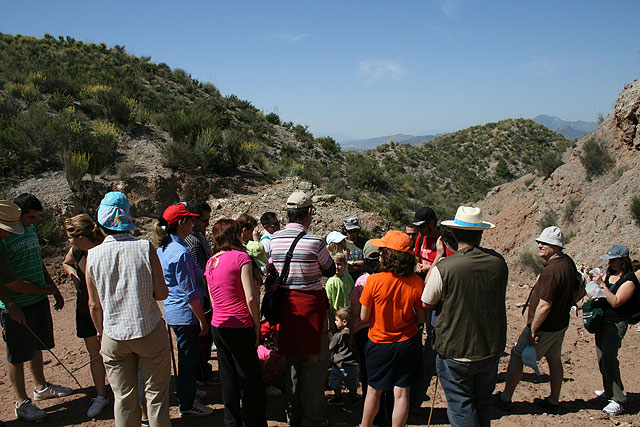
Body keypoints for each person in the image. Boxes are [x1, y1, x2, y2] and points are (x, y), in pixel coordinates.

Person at [85, 191, 171, 427]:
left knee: (123, 398)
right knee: (156, 397)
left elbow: (94, 304)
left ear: (102, 223)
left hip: (113, 334)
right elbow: (162, 293)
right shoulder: (145, 248)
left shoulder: (92, 255)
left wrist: (101, 332)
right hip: (148, 329)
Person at [422, 206, 508, 427]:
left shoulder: (445, 267)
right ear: (480, 233)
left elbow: (427, 301)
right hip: (490, 347)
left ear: (454, 233)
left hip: (455, 349)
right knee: (482, 404)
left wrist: (439, 257)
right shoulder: (498, 262)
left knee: (461, 407)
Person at [0, 194, 70, 421]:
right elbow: (5, 282)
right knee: (17, 354)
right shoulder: (4, 236)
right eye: (31, 217)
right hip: (16, 304)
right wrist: (10, 304)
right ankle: (21, 402)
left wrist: (52, 288)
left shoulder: (28, 230)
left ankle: (41, 387)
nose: (34, 222)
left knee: (37, 346)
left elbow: (37, 260)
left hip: (37, 299)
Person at [270, 191, 336, 427]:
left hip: (287, 309)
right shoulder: (315, 242)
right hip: (311, 309)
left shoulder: (274, 240)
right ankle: (313, 418)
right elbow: (330, 269)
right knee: (314, 364)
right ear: (308, 212)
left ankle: (293, 414)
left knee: (292, 362)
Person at [495, 226, 577, 411]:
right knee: (554, 359)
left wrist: (533, 329)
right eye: (540, 242)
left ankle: (506, 398)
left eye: (545, 243)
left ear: (556, 246)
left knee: (517, 355)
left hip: (544, 326)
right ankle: (554, 400)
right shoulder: (567, 263)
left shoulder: (552, 271)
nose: (540, 245)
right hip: (560, 323)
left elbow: (545, 305)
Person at [359, 230, 426, 427]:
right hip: (407, 342)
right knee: (402, 392)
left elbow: (363, 317)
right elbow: (421, 318)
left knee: (374, 390)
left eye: (382, 250)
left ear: (389, 255)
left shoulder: (374, 281)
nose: (380, 254)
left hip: (379, 342)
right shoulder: (417, 282)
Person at [205, 218, 267, 427]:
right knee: (250, 379)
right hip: (240, 323)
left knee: (228, 376)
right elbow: (250, 297)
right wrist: (256, 325)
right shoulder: (241, 258)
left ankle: (231, 421)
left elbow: (212, 298)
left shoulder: (211, 262)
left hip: (218, 324)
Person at [156, 204, 213, 417]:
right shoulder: (180, 252)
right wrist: (202, 319)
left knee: (187, 356)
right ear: (181, 223)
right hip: (185, 314)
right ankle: (187, 404)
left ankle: (189, 393)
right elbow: (189, 291)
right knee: (188, 359)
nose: (194, 223)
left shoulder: (165, 248)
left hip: (173, 311)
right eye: (190, 220)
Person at [62, 214, 110, 418]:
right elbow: (67, 262)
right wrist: (72, 274)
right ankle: (101, 394)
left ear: (80, 237)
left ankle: (122, 391)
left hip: (106, 309)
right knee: (95, 354)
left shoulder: (104, 250)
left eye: (70, 237)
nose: (69, 241)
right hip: (85, 309)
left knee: (114, 353)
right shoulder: (77, 251)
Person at [590, 245, 638, 415]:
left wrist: (601, 285)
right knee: (602, 358)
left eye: (613, 260)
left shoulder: (629, 280)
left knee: (609, 358)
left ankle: (618, 399)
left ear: (622, 261)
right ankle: (609, 389)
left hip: (616, 323)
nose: (609, 263)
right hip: (602, 321)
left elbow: (616, 301)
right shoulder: (610, 276)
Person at [184, 199, 216, 386]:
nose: (207, 224)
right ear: (193, 219)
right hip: (201, 297)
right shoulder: (193, 242)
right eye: (205, 220)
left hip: (202, 296)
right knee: (202, 340)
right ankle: (201, 374)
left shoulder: (198, 237)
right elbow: (202, 274)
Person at [327, 306, 360, 407]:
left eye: (337, 320)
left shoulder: (338, 335)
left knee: (335, 381)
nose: (335, 322)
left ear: (344, 322)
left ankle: (338, 398)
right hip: (353, 364)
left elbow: (330, 347)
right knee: (352, 382)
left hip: (340, 364)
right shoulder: (354, 334)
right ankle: (354, 397)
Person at [411, 207, 440, 276]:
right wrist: (417, 264)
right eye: (417, 227)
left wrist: (430, 268)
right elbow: (417, 255)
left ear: (432, 223)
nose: (419, 230)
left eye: (422, 226)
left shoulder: (443, 241)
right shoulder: (420, 238)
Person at [342, 216, 367, 281]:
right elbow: (343, 267)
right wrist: (361, 266)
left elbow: (369, 262)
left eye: (355, 231)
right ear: (344, 230)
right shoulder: (341, 243)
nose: (353, 234)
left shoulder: (365, 242)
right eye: (350, 231)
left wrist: (352, 263)